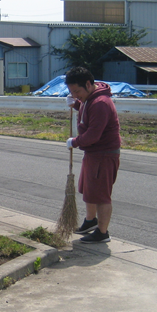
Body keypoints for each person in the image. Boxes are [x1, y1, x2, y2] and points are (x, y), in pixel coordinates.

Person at [65, 66, 121, 243]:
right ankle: (91, 221)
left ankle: (102, 232)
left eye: (77, 91)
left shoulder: (101, 103)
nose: (75, 95)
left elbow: (93, 135)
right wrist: (76, 105)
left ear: (88, 84)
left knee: (101, 194)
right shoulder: (90, 99)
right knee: (88, 189)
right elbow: (86, 109)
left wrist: (75, 141)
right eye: (72, 92)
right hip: (94, 153)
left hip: (103, 154)